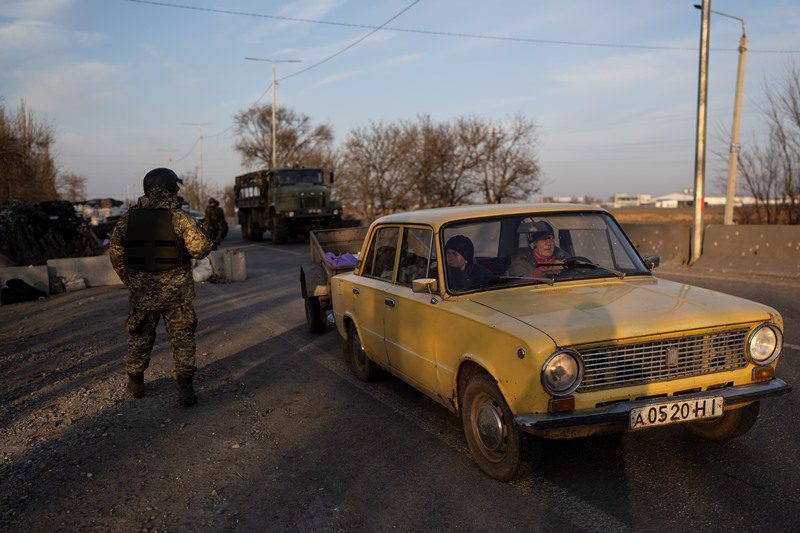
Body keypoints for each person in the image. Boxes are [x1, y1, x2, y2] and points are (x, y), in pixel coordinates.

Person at [109, 168, 213, 407]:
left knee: (139, 338)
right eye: (175, 190)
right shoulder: (179, 218)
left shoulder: (127, 219)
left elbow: (116, 256)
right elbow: (200, 249)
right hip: (177, 294)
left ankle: (135, 385)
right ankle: (185, 390)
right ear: (169, 191)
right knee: (182, 339)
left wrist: (133, 282)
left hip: (142, 295)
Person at [505, 220, 569, 278]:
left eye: (550, 238)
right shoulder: (520, 262)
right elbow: (518, 282)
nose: (549, 243)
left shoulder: (564, 257)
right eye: (543, 239)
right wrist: (544, 270)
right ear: (532, 245)